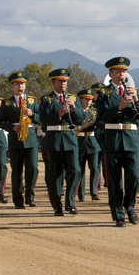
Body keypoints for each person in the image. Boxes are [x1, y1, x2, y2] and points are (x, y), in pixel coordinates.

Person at [95, 56, 139, 227]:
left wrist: (138, 102)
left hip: (131, 140)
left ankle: (129, 205)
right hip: (112, 140)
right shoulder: (103, 93)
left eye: (124, 71)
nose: (121, 74)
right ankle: (118, 213)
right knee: (114, 180)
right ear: (110, 73)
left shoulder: (135, 91)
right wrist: (119, 107)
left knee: (134, 176)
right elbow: (102, 117)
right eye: (118, 71)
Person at [39, 68, 84, 216]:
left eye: (65, 81)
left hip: (70, 138)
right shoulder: (46, 100)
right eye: (60, 81)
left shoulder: (73, 98)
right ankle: (56, 205)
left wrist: (74, 108)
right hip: (54, 139)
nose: (63, 84)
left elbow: (81, 119)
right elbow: (43, 120)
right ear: (53, 82)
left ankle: (70, 202)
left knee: (75, 170)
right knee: (54, 174)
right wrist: (58, 114)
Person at [0, 71, 41, 209]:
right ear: (12, 86)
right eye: (17, 84)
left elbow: (42, 119)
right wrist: (11, 127)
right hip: (15, 140)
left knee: (33, 168)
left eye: (22, 84)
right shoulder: (7, 102)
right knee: (16, 171)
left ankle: (30, 197)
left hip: (31, 139)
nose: (19, 86)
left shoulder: (33, 101)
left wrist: (32, 114)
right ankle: (18, 200)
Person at [75, 88, 101, 202]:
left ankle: (94, 192)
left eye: (90, 99)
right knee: (80, 169)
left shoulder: (95, 111)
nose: (89, 101)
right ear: (81, 99)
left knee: (95, 168)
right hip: (79, 140)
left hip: (91, 141)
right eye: (86, 99)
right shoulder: (76, 111)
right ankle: (80, 194)